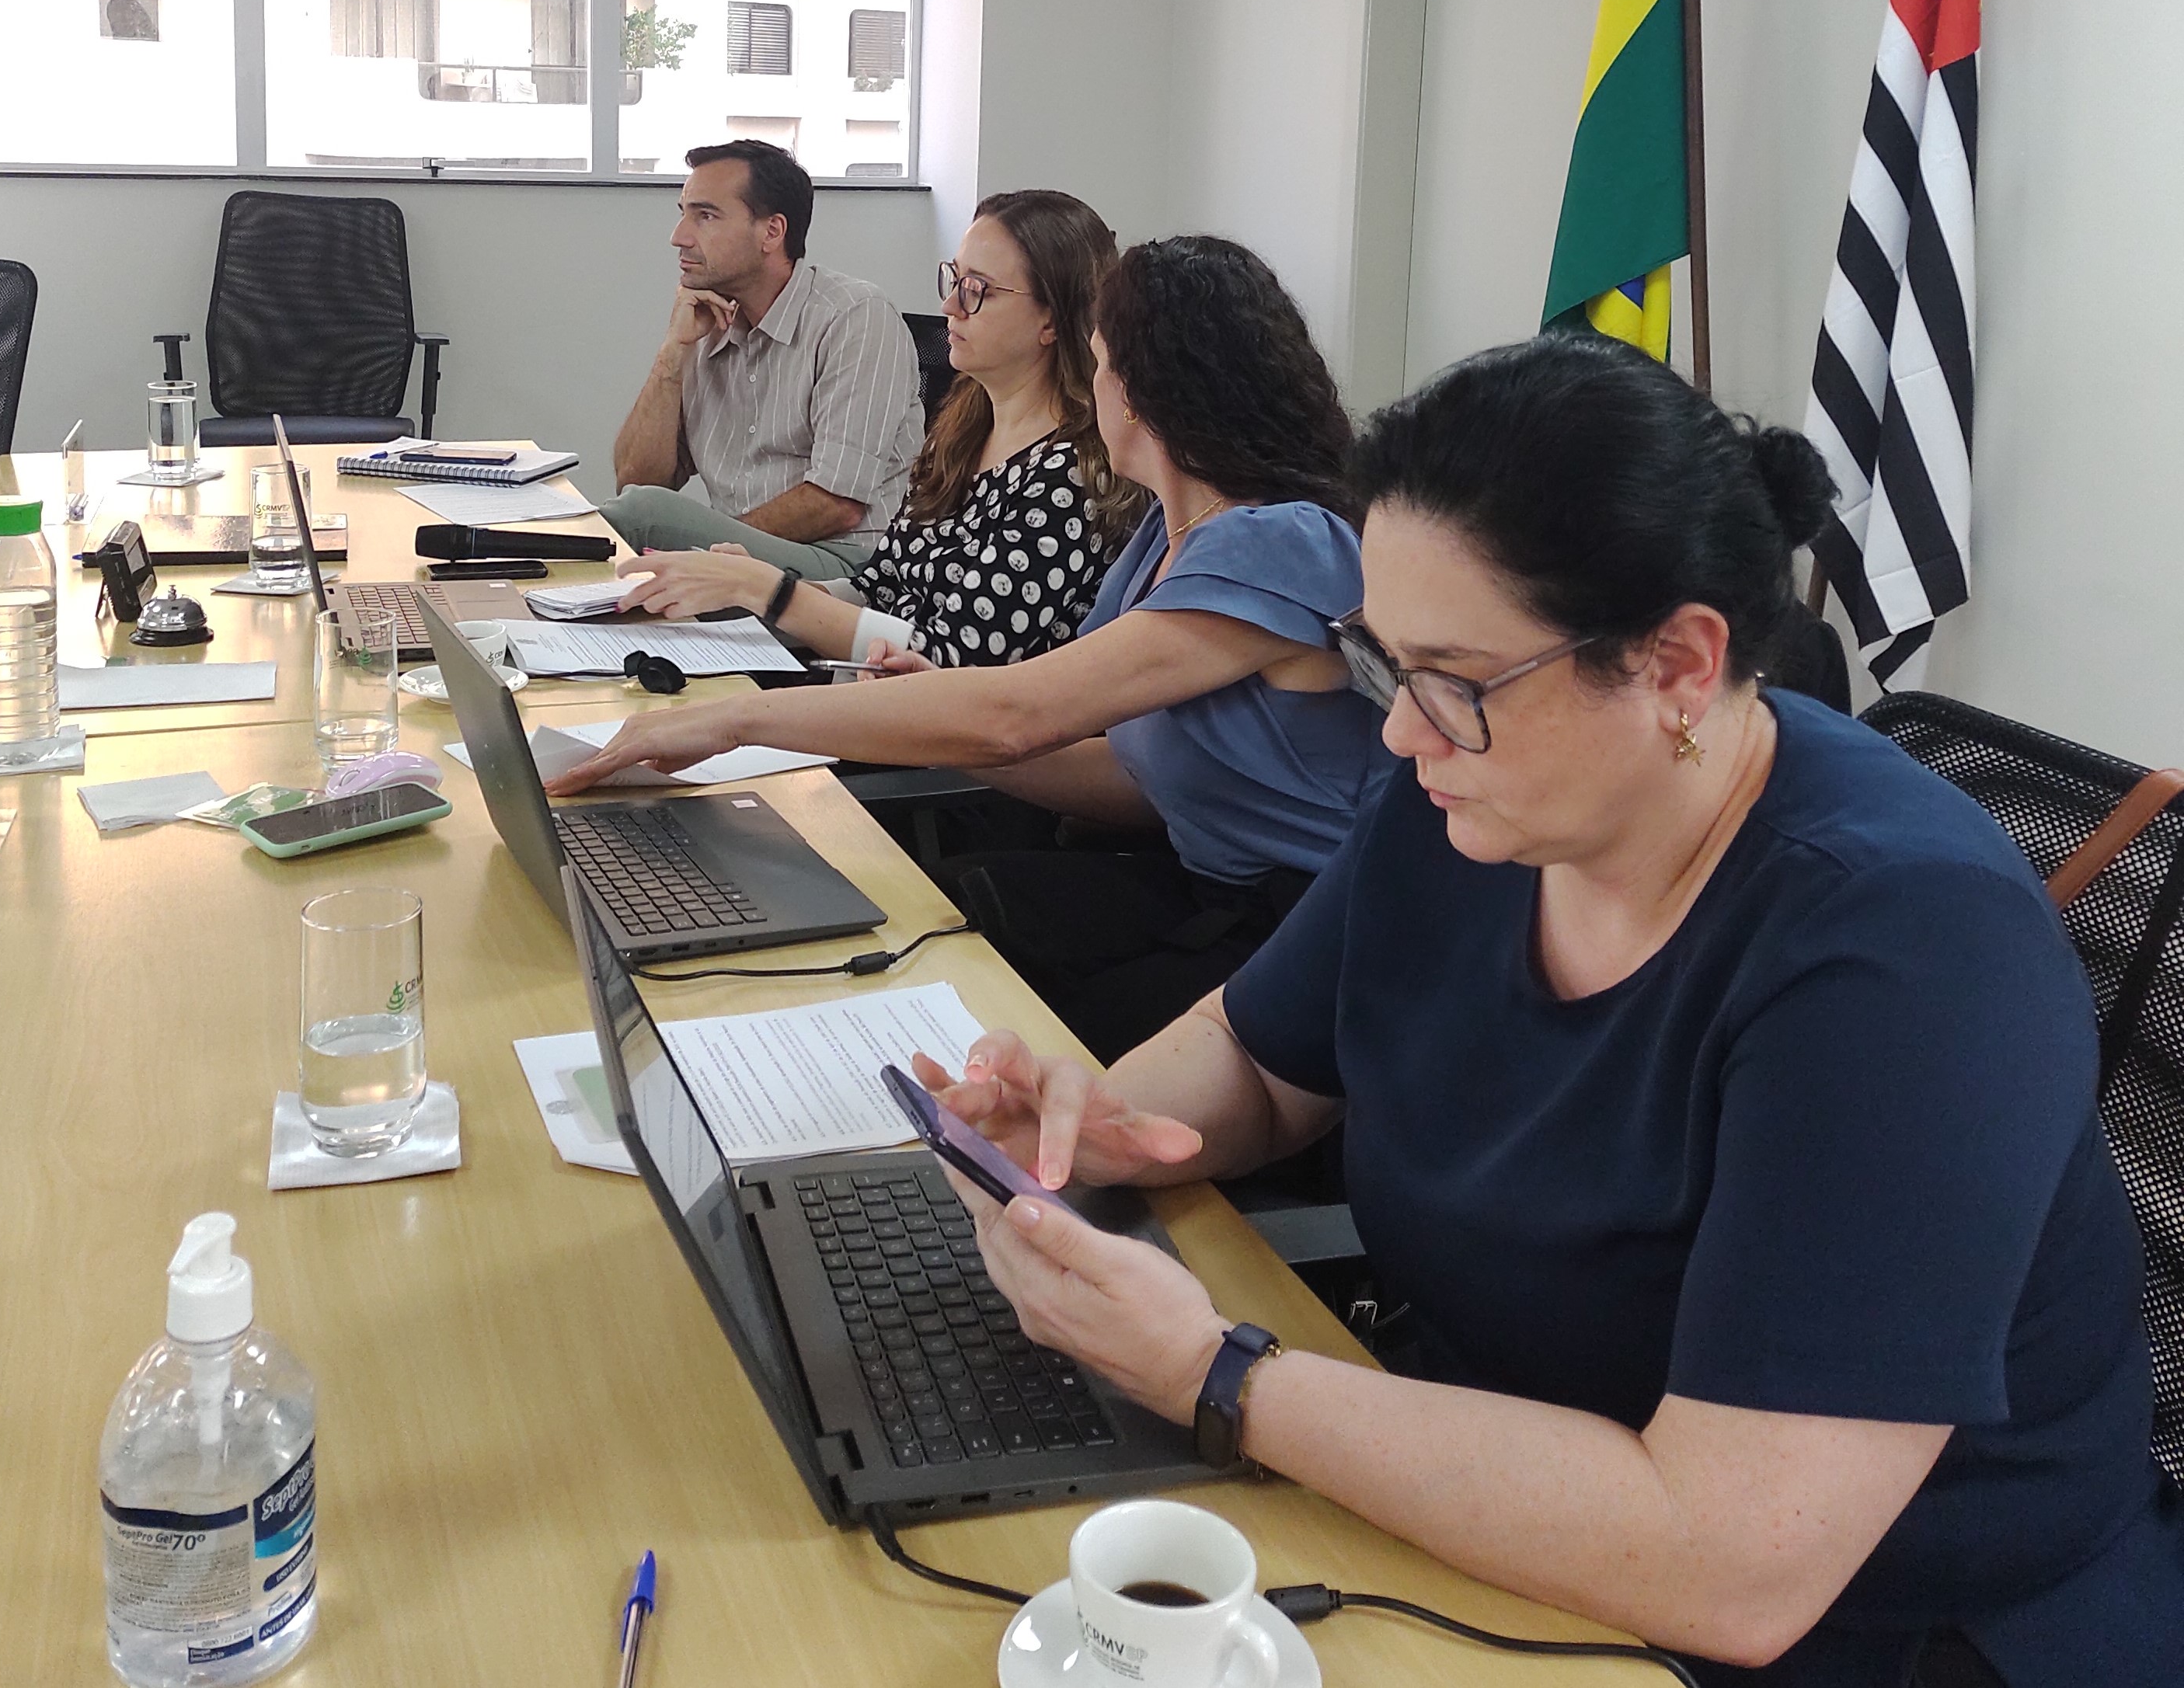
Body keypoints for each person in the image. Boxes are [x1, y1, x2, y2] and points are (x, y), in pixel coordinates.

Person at [914, 334, 2184, 1687]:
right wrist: (1099, 1127)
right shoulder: (1467, 798)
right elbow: (1261, 1052)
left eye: (1455, 683)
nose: (1401, 732)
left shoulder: (1906, 950)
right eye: (1382, 664)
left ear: (1680, 667)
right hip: (1486, 1506)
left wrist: (1219, 1377)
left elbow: (1736, 1558)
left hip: (1862, 1632)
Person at [551, 236, 1395, 1060]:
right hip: (1203, 886)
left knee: (954, 1016)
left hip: (1305, 931)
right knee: (915, 920)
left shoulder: (1280, 541)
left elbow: (1016, 713)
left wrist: (737, 720)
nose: (1093, 385)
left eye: (1102, 363)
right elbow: (1131, 774)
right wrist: (926, 718)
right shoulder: (1162, 536)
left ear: (1146, 390)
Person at [615, 190, 1146, 668]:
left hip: (947, 748)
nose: (949, 306)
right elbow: (880, 586)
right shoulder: (961, 431)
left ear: (1051, 320)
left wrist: (772, 593)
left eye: (977, 290)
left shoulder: (1071, 475)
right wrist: (746, 588)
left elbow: (953, 662)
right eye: (953, 279)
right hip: (867, 693)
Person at [603, 139, 924, 576]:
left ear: (772, 232)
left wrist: (708, 558)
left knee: (642, 518)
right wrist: (671, 354)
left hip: (852, 568)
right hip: (752, 558)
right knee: (638, 521)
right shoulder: (705, 322)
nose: (679, 237)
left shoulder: (855, 316)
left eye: (705, 216)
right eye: (682, 213)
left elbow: (838, 504)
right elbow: (637, 479)